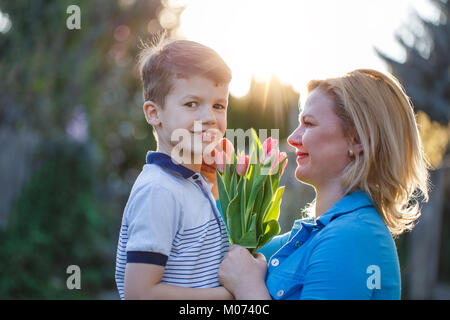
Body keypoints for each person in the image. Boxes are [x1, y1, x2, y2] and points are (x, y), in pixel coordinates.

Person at [218, 69, 430, 300]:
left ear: (357, 139)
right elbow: (224, 248)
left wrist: (248, 287)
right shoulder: (311, 237)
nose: (292, 138)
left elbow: (242, 273)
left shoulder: (352, 237)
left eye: (308, 123)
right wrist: (212, 180)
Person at [115, 39, 234, 299]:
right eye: (192, 104)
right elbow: (140, 293)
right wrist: (230, 296)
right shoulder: (159, 191)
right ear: (154, 113)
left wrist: (216, 183)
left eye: (218, 105)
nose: (210, 118)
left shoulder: (192, 182)